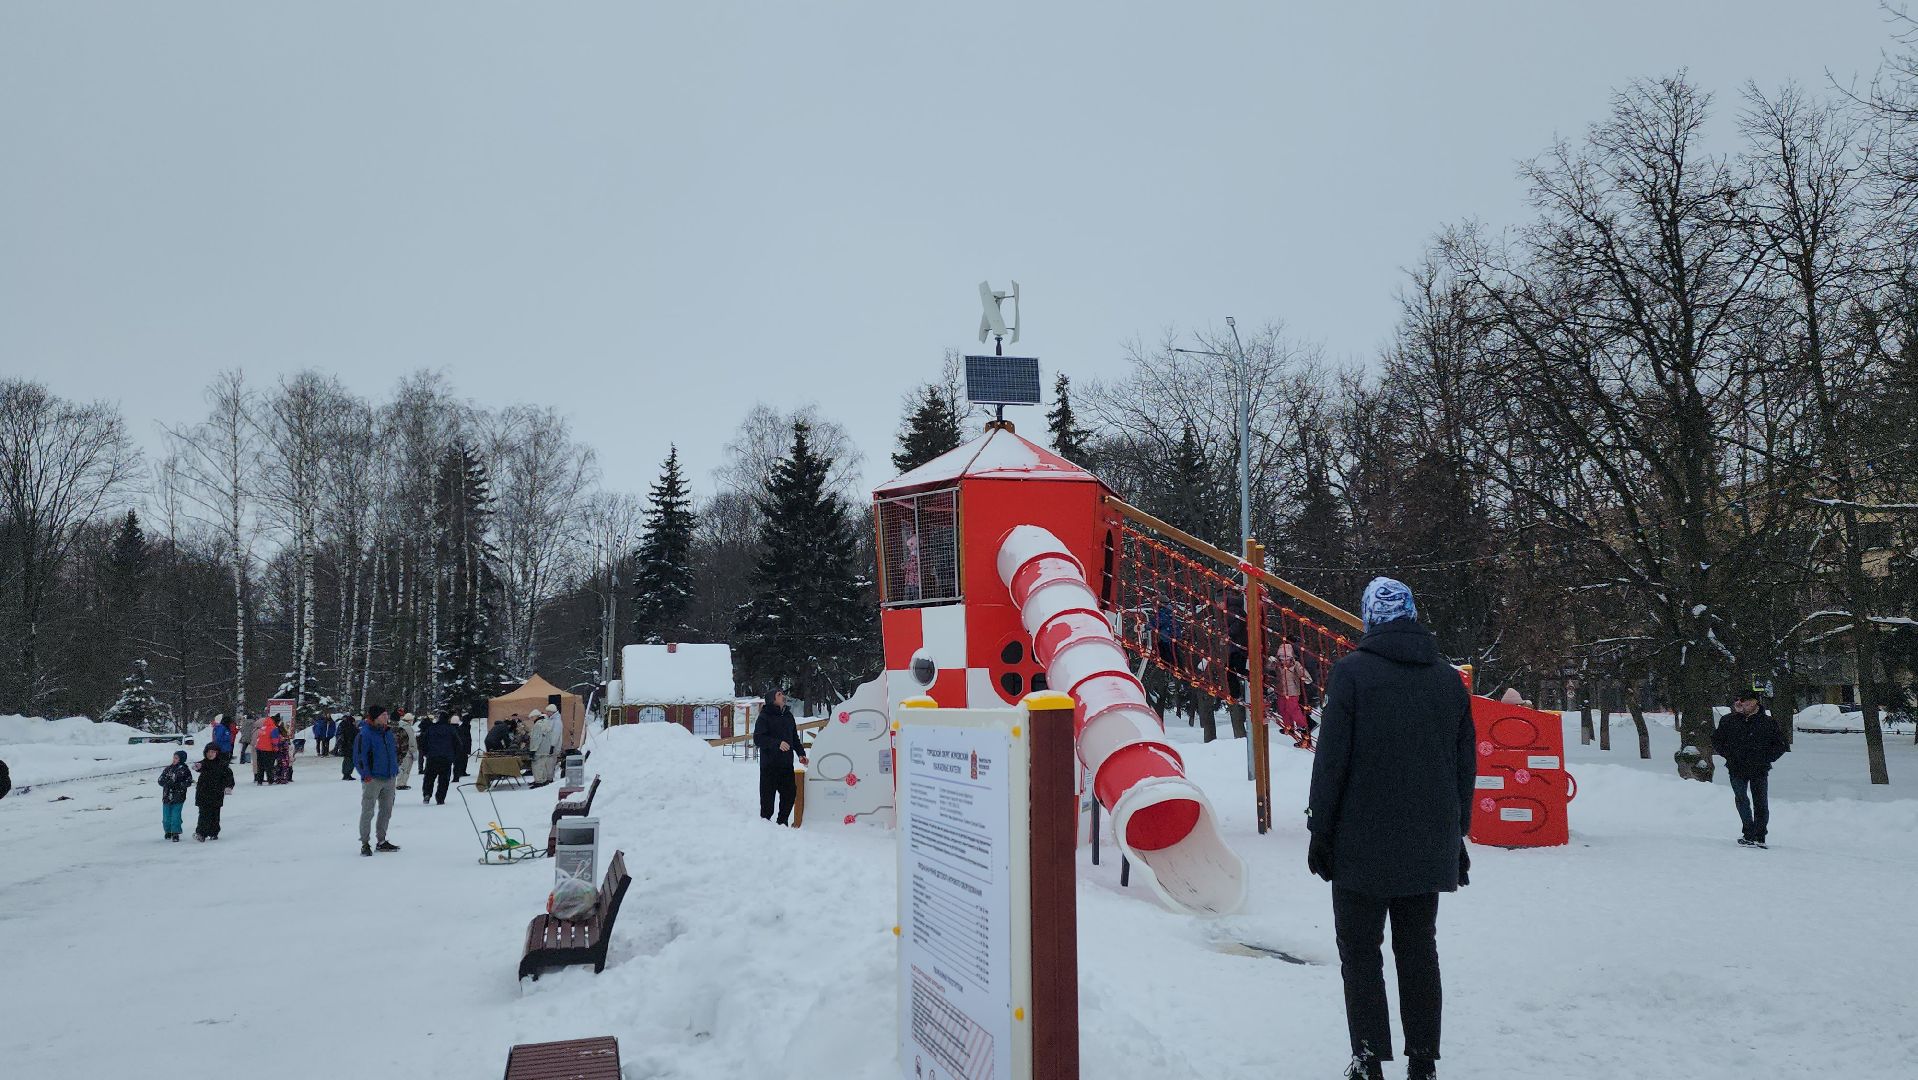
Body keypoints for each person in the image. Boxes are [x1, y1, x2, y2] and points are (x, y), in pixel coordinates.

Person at [1307, 577, 1475, 1080]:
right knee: (1419, 949)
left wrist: (1322, 829)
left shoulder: (1352, 674)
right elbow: (1462, 763)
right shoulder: (1448, 679)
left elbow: (1332, 759)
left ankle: (1368, 1057)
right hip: (1428, 843)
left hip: (1362, 844)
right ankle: (1422, 1060)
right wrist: (1456, 830)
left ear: (1368, 618)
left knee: (1360, 953)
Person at [1714, 689, 1787, 848]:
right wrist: (1729, 755)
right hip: (1736, 768)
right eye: (1738, 701)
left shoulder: (1767, 722)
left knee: (1760, 802)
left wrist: (1765, 758)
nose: (1742, 704)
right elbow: (1717, 741)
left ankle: (1760, 836)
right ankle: (1748, 833)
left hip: (1759, 769)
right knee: (1741, 799)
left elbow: (1781, 745)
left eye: (1746, 701)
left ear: (1755, 702)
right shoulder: (1729, 720)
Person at [752, 689, 808, 824]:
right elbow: (758, 739)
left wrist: (801, 753)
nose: (783, 696)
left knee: (790, 795)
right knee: (767, 802)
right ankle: (765, 826)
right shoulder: (764, 716)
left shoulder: (788, 716)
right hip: (769, 766)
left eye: (782, 694)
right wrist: (777, 743)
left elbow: (794, 738)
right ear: (772, 699)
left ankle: (782, 823)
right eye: (779, 695)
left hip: (786, 765)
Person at [353, 706, 401, 856]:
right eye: (383, 715)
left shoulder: (387, 733)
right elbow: (360, 757)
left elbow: (394, 751)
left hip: (389, 776)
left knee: (386, 810)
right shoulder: (365, 734)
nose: (386, 717)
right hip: (372, 778)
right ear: (375, 717)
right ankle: (365, 842)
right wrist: (365, 774)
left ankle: (381, 840)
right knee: (368, 810)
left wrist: (394, 768)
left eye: (386, 714)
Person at [1275, 636, 1315, 747]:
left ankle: (1303, 728)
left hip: (1293, 691)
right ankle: (1289, 726)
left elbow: (1304, 672)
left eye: (1286, 658)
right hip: (1282, 691)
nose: (1284, 660)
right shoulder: (1279, 664)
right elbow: (1271, 668)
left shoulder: (1295, 663)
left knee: (1293, 709)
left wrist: (1306, 679)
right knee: (1283, 709)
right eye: (1281, 658)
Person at [193, 744, 235, 841]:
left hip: (216, 793)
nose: (210, 754)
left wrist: (228, 787)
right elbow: (200, 766)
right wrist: (197, 767)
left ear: (217, 753)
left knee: (214, 814)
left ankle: (213, 832)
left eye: (213, 752)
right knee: (203, 813)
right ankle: (201, 833)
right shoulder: (205, 763)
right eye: (208, 752)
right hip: (203, 792)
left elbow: (229, 777)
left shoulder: (222, 765)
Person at [418, 713, 460, 805]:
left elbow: (423, 742)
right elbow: (457, 743)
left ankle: (427, 793)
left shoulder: (431, 728)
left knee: (429, 777)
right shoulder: (451, 729)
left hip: (432, 757)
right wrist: (454, 756)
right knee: (444, 779)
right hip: (446, 758)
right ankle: (440, 798)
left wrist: (426, 753)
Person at [158, 750, 193, 841]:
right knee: (166, 817)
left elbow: (188, 781)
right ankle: (168, 831)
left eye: (176, 758)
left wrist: (179, 785)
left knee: (175, 816)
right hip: (166, 797)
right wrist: (166, 783)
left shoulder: (184, 770)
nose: (174, 759)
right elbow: (160, 780)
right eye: (174, 757)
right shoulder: (168, 769)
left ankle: (175, 832)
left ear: (181, 759)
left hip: (178, 797)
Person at [530, 706, 560, 787]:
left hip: (539, 749)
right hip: (546, 748)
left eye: (532, 717)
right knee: (543, 765)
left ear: (536, 716)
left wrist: (533, 750)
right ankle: (543, 780)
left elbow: (536, 739)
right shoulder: (546, 722)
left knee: (537, 765)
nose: (531, 719)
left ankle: (539, 781)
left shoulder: (537, 725)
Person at [254, 715, 284, 785]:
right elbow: (275, 740)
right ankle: (270, 780)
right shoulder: (274, 728)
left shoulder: (263, 727)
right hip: (268, 749)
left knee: (260, 765)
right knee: (269, 766)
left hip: (259, 749)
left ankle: (259, 781)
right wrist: (276, 749)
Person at [393, 712, 416, 791]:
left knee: (401, 767)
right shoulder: (408, 728)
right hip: (407, 752)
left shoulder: (399, 726)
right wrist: (414, 751)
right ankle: (401, 783)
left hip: (399, 750)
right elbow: (412, 740)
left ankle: (401, 783)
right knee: (405, 768)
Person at [337, 713, 359, 781]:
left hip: (348, 746)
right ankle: (347, 774)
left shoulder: (347, 727)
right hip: (349, 746)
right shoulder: (350, 728)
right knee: (349, 760)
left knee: (349, 760)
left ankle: (347, 774)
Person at [451, 713, 472, 781]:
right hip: (463, 745)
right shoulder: (463, 727)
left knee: (463, 758)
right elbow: (465, 737)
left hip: (462, 745)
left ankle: (461, 771)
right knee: (462, 759)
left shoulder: (462, 727)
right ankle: (461, 772)